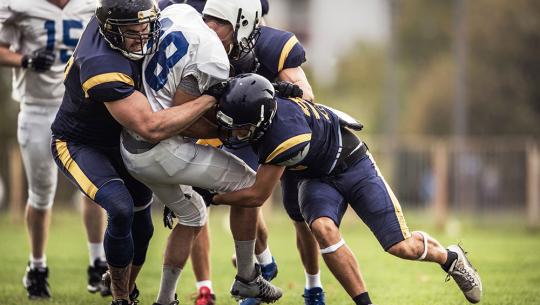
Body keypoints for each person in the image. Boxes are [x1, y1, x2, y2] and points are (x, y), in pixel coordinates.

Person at [211, 74, 484, 305]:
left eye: (243, 128)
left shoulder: (284, 135)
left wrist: (210, 195)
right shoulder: (267, 111)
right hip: (316, 177)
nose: (237, 133)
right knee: (321, 228)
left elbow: (257, 195)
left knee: (401, 246)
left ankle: (449, 257)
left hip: (354, 166)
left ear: (261, 120)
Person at [49, 0, 223, 304]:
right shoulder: (101, 63)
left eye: (146, 28)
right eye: (132, 32)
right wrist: (208, 100)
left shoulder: (135, 14)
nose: (142, 37)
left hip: (122, 140)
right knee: (120, 208)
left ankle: (126, 285)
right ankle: (120, 298)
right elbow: (151, 126)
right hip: (80, 143)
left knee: (143, 227)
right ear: (110, 31)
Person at [118, 2, 282, 305]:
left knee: (193, 215)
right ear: (241, 20)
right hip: (159, 149)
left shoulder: (178, 13)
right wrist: (225, 130)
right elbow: (184, 120)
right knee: (250, 186)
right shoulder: (213, 57)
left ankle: (165, 300)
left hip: (131, 144)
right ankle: (247, 277)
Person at [0, 0, 110, 299]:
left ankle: (97, 263)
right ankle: (37, 266)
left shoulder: (91, 4)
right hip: (38, 109)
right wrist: (24, 59)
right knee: (41, 192)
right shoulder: (18, 5)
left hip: (81, 108)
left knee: (94, 187)